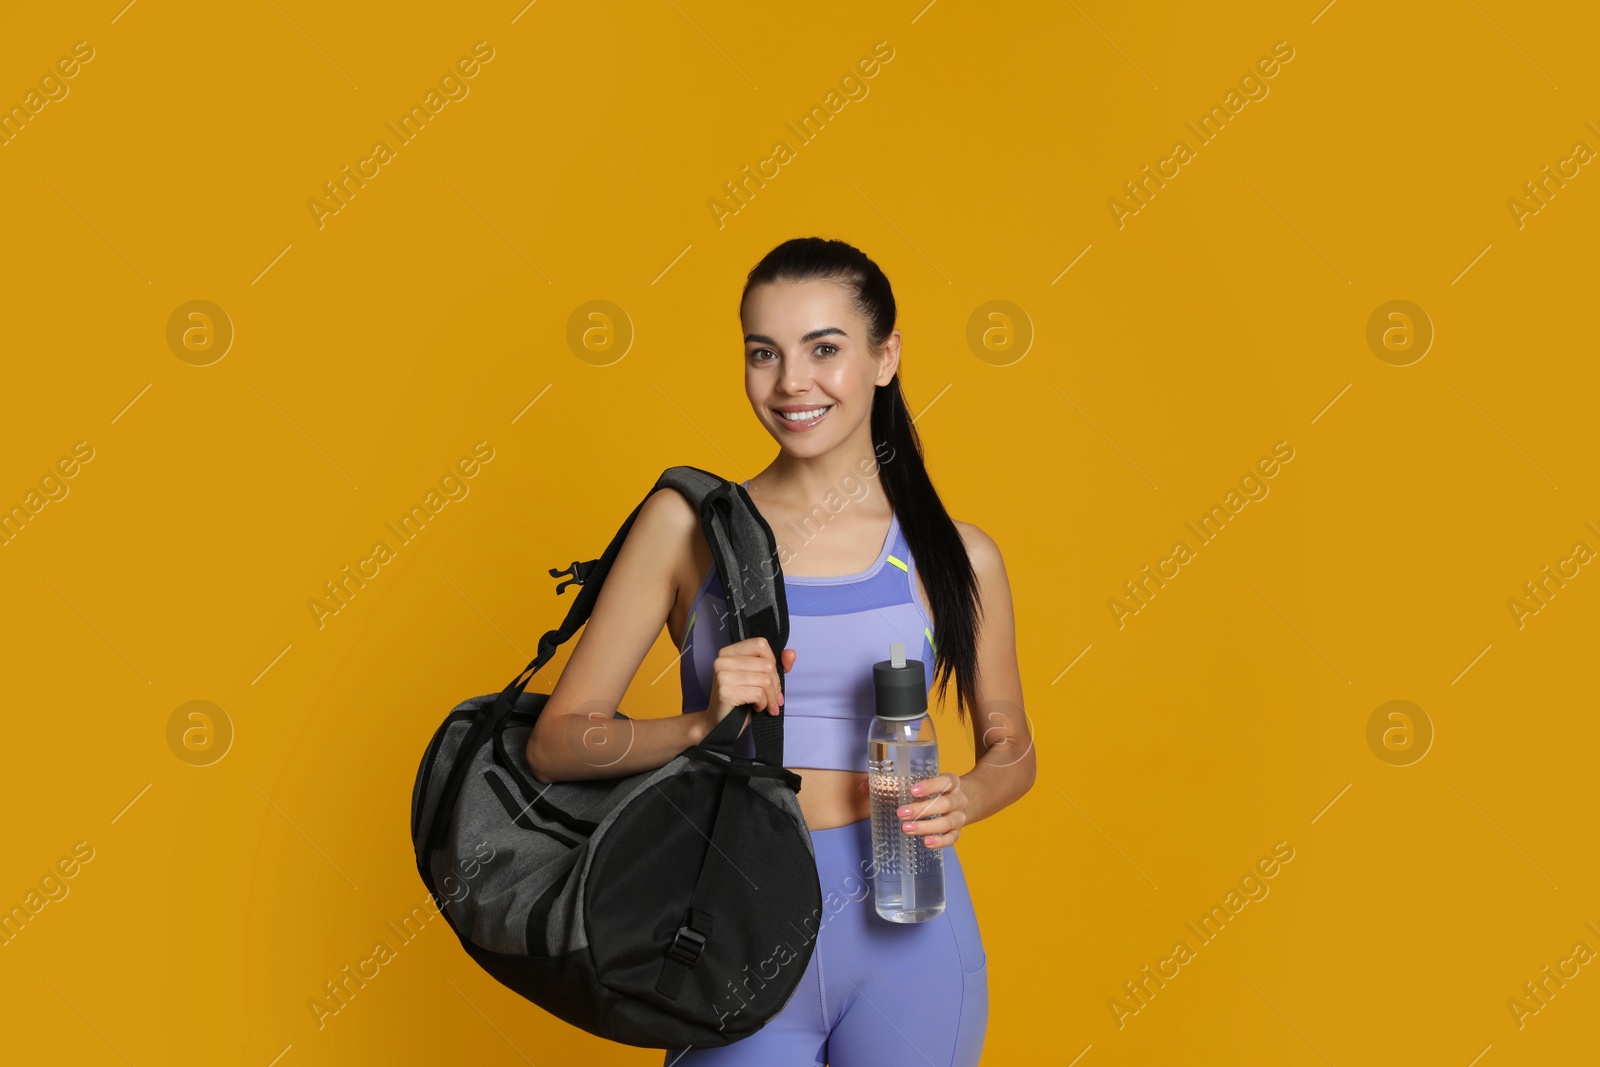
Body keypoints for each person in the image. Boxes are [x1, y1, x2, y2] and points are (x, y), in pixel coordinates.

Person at [526, 236, 1035, 1066]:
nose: (792, 381)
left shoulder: (953, 554)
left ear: (885, 357)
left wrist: (972, 794)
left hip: (909, 931)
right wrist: (699, 726)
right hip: (732, 925)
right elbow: (558, 739)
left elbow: (1013, 741)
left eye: (824, 348)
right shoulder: (688, 528)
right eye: (765, 353)